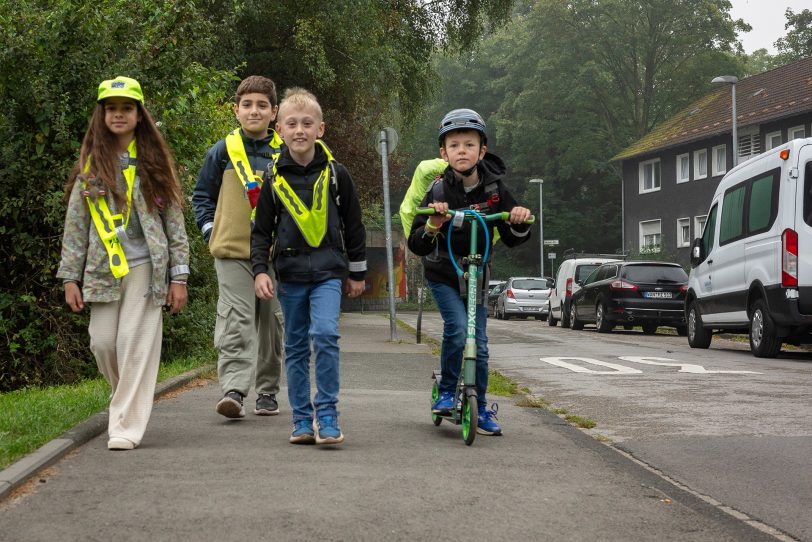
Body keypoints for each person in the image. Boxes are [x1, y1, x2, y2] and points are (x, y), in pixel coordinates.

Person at [57, 76, 190, 450]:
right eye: (111, 108)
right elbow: (76, 225)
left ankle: (125, 428)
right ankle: (130, 397)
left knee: (134, 343)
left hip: (147, 267)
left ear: (139, 114)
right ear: (101, 115)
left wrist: (179, 276)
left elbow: (175, 224)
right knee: (103, 344)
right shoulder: (91, 164)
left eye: (126, 108)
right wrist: (70, 277)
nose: (119, 114)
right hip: (102, 270)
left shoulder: (154, 162)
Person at [251, 88, 366, 445]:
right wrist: (259, 271)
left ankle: (327, 414)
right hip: (290, 275)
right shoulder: (271, 178)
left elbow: (354, 224)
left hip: (329, 273)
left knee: (326, 336)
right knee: (297, 345)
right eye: (291, 124)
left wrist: (358, 272)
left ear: (320, 129)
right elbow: (260, 231)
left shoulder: (337, 174)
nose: (299, 130)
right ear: (279, 131)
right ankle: (301, 420)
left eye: (307, 123)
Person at [406, 108, 532, 436]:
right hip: (444, 273)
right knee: (459, 329)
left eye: (469, 144)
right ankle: (448, 389)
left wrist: (516, 217)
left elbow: (514, 236)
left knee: (481, 342)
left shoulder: (495, 190)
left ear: (482, 150)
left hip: (477, 274)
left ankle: (483, 402)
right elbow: (416, 243)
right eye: (454, 145)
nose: (462, 151)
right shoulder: (437, 191)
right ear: (443, 152)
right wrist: (433, 224)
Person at [192, 75, 285, 419]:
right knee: (236, 319)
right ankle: (234, 389)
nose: (254, 110)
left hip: (274, 254)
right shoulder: (221, 152)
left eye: (262, 105)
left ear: (274, 112)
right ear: (236, 110)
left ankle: (267, 390)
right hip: (232, 252)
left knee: (271, 323)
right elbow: (202, 196)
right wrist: (210, 231)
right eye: (247, 104)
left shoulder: (286, 152)